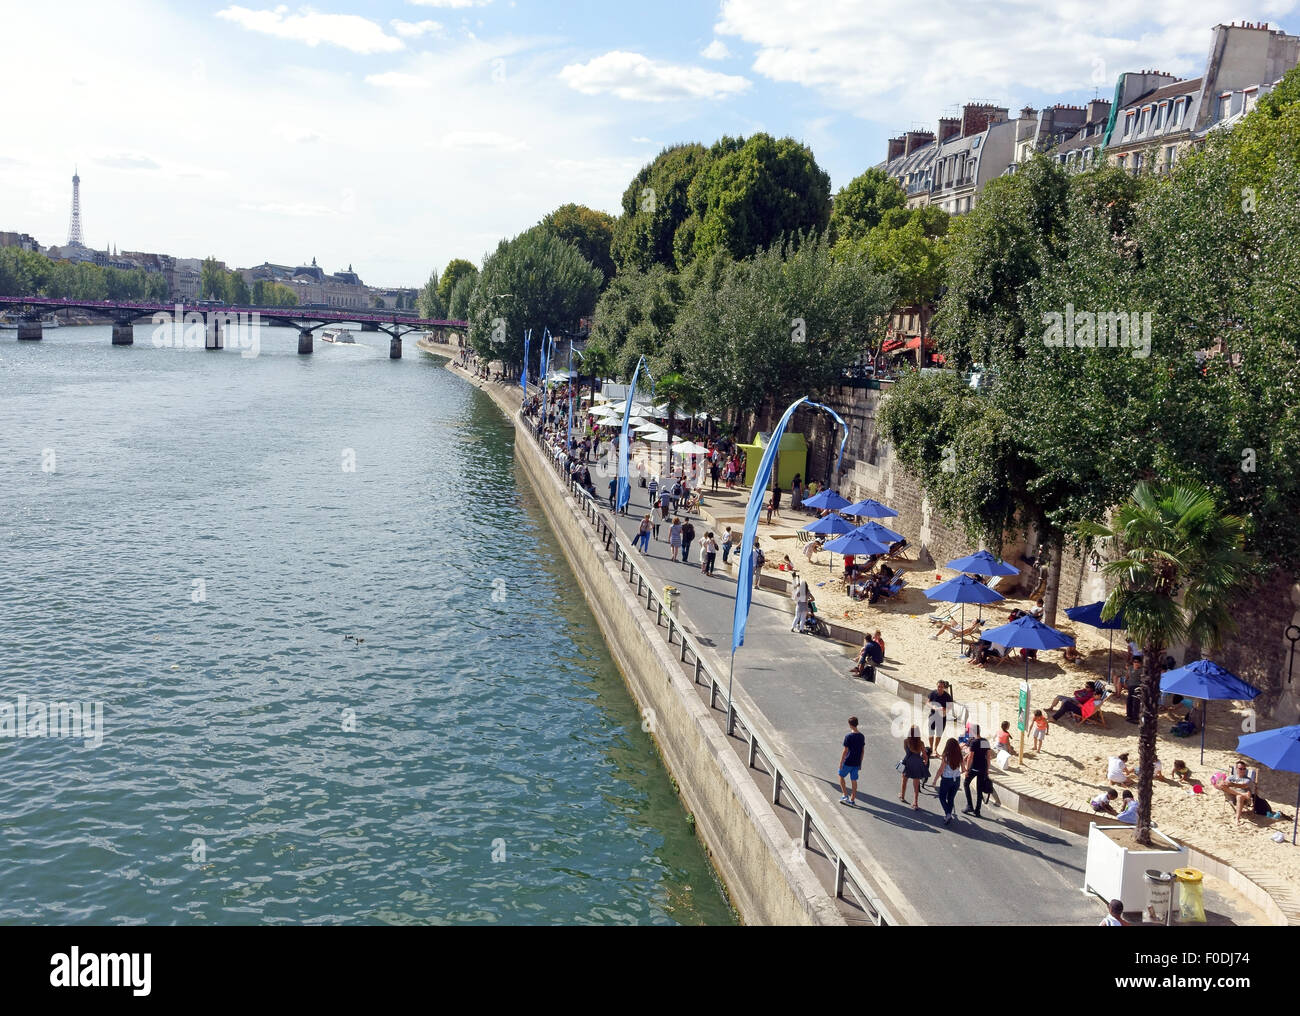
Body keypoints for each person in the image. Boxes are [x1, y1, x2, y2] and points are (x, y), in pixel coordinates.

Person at [932, 738, 964, 825]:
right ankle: (947, 816)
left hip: (946, 780)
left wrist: (935, 780)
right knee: (950, 798)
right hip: (956, 780)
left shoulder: (946, 756)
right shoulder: (960, 755)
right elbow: (964, 769)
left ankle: (948, 814)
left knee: (942, 797)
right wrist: (957, 773)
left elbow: (941, 770)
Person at [962, 724, 991, 817]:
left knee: (966, 783)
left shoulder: (974, 742)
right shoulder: (985, 741)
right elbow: (988, 757)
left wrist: (967, 770)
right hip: (983, 767)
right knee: (979, 789)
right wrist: (987, 770)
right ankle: (977, 811)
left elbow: (971, 756)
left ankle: (969, 805)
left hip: (974, 767)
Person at [899, 726, 930, 810]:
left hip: (908, 762)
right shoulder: (921, 743)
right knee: (916, 784)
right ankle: (915, 802)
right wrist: (925, 762)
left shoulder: (906, 741)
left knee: (904, 779)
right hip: (917, 763)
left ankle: (902, 795)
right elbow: (924, 755)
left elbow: (906, 751)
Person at [838, 716, 866, 807]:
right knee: (854, 780)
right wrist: (860, 763)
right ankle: (852, 799)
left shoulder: (848, 736)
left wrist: (841, 762)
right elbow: (862, 751)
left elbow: (845, 751)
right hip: (857, 762)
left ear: (850, 725)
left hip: (848, 761)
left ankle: (845, 795)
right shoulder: (862, 736)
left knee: (841, 776)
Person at [926, 680, 954, 755]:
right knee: (931, 733)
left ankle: (935, 749)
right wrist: (933, 707)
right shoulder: (933, 693)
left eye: (941, 687)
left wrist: (944, 709)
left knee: (939, 735)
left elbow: (950, 707)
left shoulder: (947, 696)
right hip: (933, 716)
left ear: (944, 687)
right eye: (938, 686)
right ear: (937, 686)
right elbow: (927, 703)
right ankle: (931, 748)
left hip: (942, 718)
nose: (940, 688)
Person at [1224, 761, 1255, 825]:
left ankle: (1237, 819)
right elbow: (1224, 785)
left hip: (1244, 800)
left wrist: (1232, 784)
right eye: (1240, 768)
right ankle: (1242, 794)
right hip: (1231, 797)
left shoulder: (1248, 779)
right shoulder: (1231, 777)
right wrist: (1226, 784)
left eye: (1244, 769)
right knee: (1222, 785)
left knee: (1239, 797)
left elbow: (1243, 786)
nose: (1242, 770)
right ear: (1236, 769)